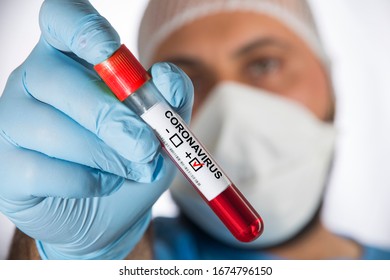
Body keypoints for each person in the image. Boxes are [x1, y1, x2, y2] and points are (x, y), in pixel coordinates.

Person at [1, 0, 389, 260]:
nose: (233, 109)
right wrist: (58, 257)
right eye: (191, 78)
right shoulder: (140, 255)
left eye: (264, 64)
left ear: (330, 81)